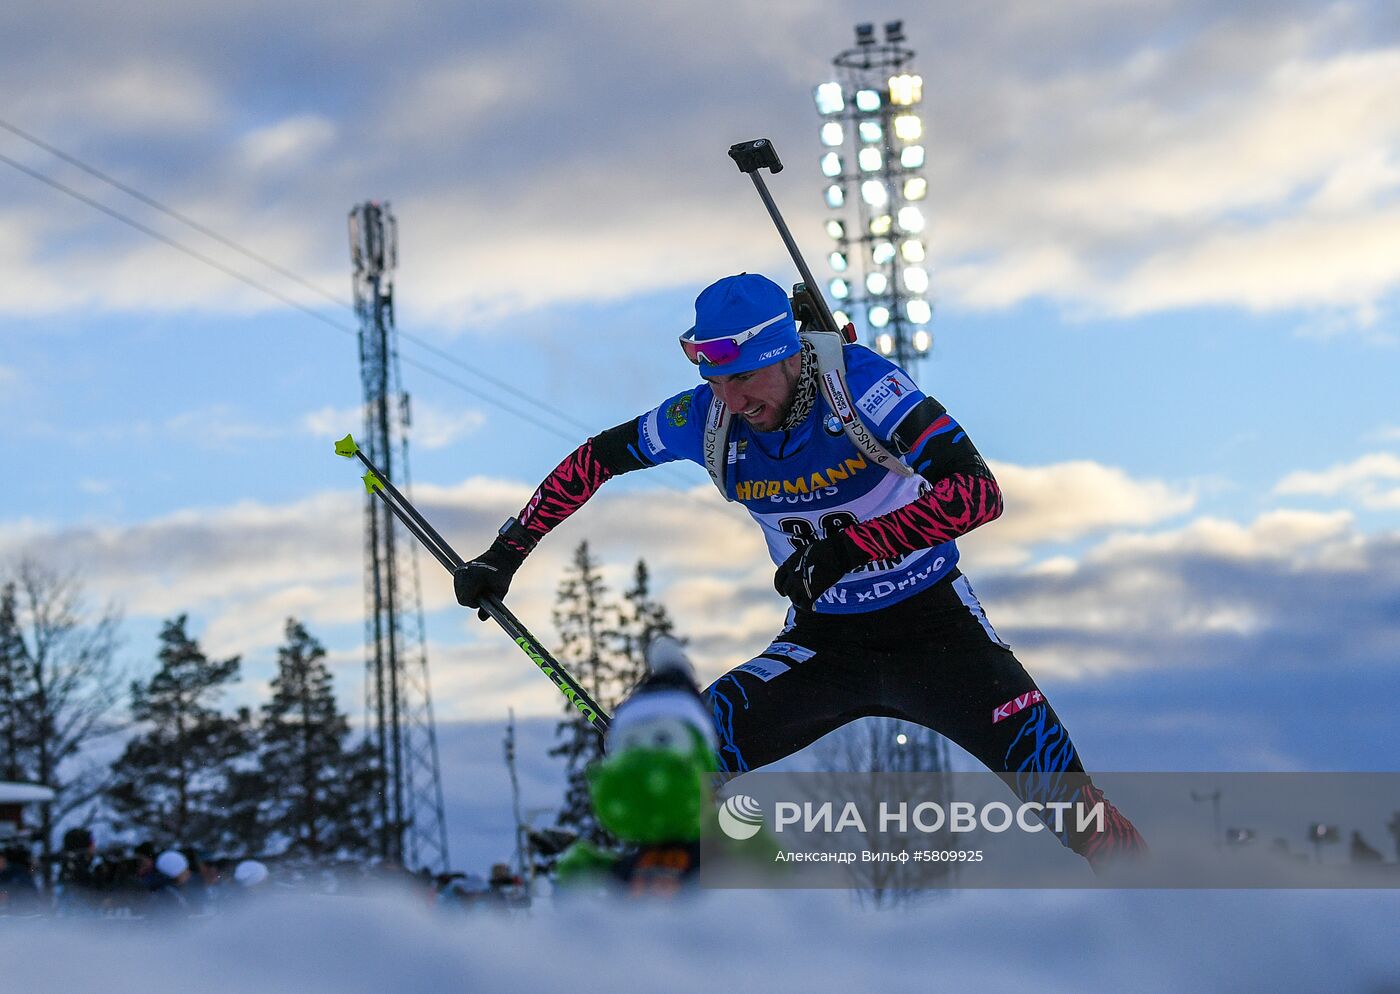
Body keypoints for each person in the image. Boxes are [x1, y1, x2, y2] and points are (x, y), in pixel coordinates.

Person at [454, 272, 1143, 868]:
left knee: (1074, 813)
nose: (730, 400)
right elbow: (598, 457)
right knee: (663, 763)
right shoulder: (707, 419)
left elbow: (978, 494)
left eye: (744, 377)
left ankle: (1173, 926)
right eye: (714, 379)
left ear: (787, 354)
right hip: (824, 646)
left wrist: (851, 548)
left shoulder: (863, 388)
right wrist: (506, 552)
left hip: (939, 633)